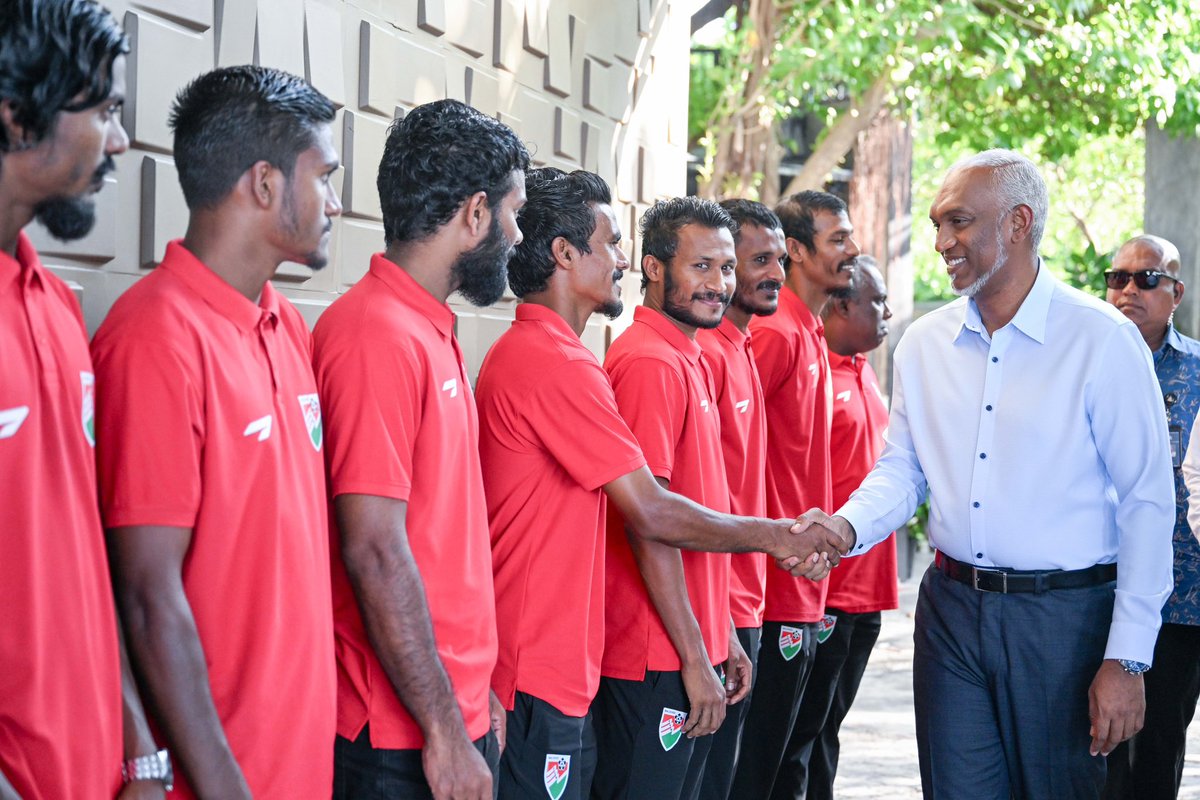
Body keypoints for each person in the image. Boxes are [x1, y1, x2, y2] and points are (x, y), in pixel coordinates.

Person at [800, 149, 1175, 799]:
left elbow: (1147, 502)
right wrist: (844, 526)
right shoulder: (924, 343)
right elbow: (905, 469)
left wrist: (1127, 656)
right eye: (938, 223)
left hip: (1066, 623)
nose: (942, 241)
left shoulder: (1101, 340)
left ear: (1018, 223)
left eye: (960, 223)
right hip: (951, 615)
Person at [477, 176, 835, 800]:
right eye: (612, 244)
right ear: (566, 255)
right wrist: (772, 541)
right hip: (568, 664)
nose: (618, 259)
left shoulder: (669, 357)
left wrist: (717, 630)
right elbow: (652, 514)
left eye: (727, 267)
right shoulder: (596, 362)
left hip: (577, 665)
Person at [93, 66, 341, 798]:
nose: (334, 202)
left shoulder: (287, 326)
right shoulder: (152, 341)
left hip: (301, 768)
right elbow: (144, 595)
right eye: (323, 177)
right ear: (265, 185)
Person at [313, 99, 528, 800]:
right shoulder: (375, 333)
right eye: (512, 213)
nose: (518, 235)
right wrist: (443, 728)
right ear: (473, 215)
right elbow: (374, 549)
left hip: (447, 720)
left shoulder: (428, 328)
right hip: (397, 742)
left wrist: (472, 699)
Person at [0, 1, 165, 797]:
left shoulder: (56, 308)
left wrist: (138, 745)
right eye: (104, 112)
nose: (122, 141)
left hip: (95, 770)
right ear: (15, 114)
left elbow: (82, 556)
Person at [732, 190, 860, 799]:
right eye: (837, 240)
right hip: (770, 589)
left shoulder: (808, 331)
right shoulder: (774, 334)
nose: (852, 250)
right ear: (798, 250)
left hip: (804, 585)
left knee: (793, 763)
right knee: (762, 773)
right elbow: (731, 461)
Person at [787, 256, 897, 800]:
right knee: (800, 738)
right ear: (842, 305)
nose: (889, 313)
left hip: (869, 592)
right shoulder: (812, 373)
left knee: (827, 730)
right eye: (878, 302)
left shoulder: (864, 370)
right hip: (825, 591)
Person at [696, 198, 787, 800]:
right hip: (718, 612)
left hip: (746, 605)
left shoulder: (743, 347)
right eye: (756, 260)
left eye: (778, 259)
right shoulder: (704, 351)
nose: (773, 273)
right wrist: (722, 619)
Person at [1104, 235, 1200, 800]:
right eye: (1118, 278)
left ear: (1176, 292)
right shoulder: (1086, 360)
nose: (1128, 290)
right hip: (1097, 588)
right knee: (1096, 743)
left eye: (1146, 279)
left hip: (1181, 597)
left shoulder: (1197, 372)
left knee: (1158, 745)